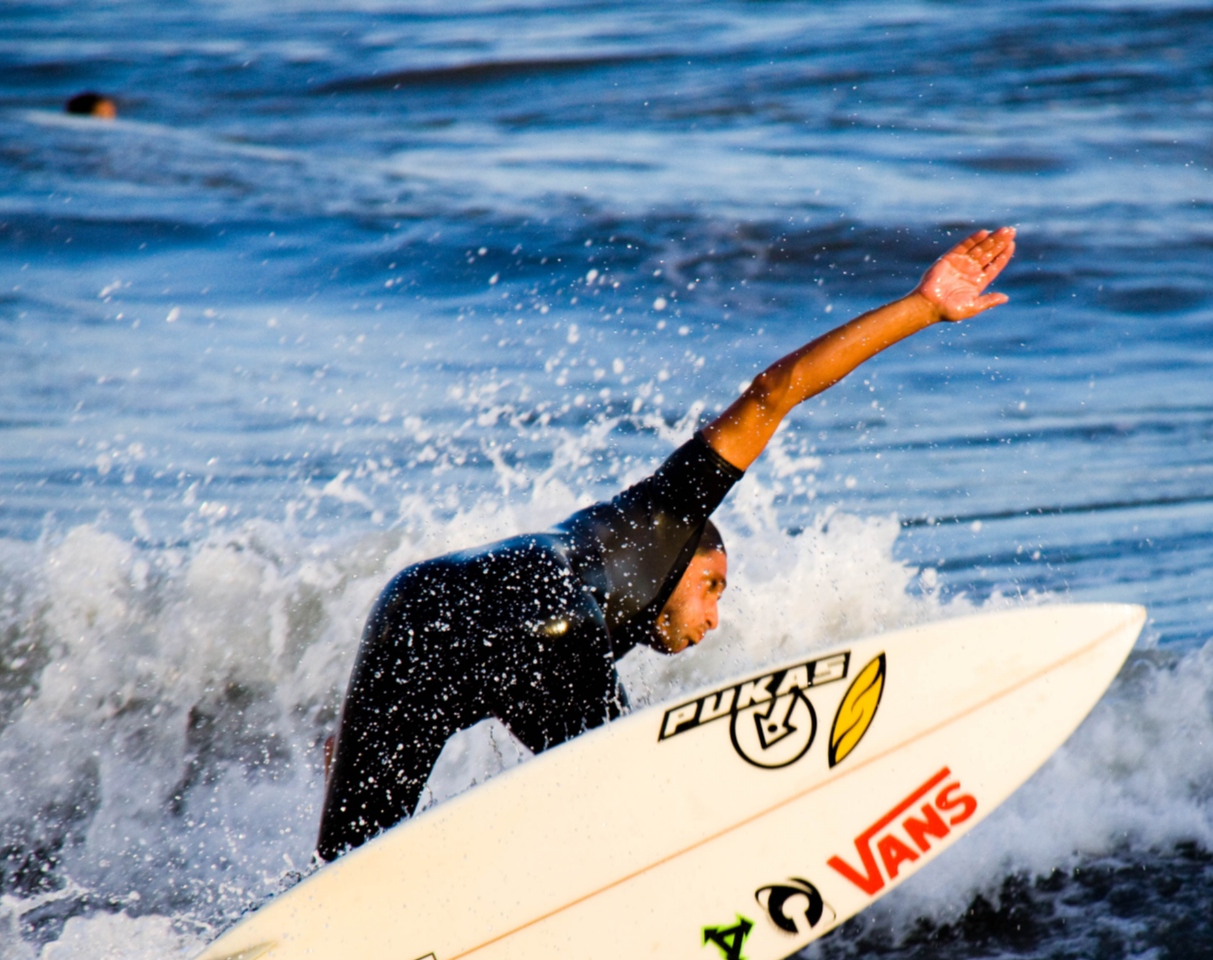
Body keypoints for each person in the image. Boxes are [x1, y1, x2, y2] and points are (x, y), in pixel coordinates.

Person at [316, 226, 1017, 862]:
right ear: (689, 557)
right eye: (714, 585)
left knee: (349, 864)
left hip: (413, 607)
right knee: (637, 805)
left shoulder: (602, 560)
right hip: (542, 612)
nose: (714, 618)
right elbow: (777, 390)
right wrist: (923, 307)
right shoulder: (669, 514)